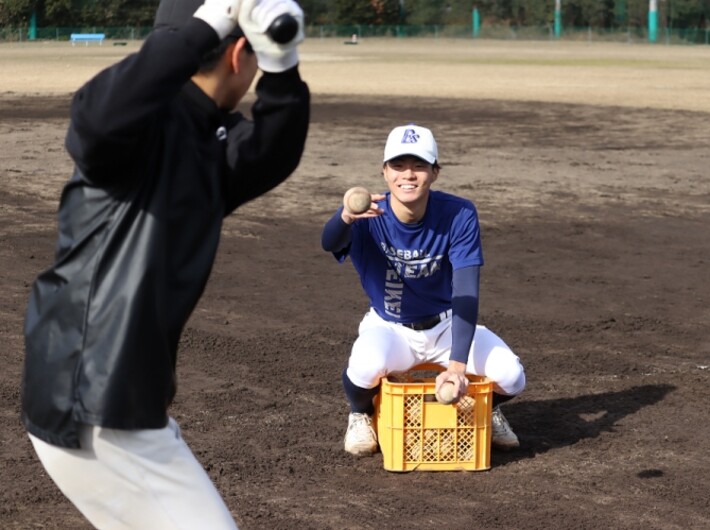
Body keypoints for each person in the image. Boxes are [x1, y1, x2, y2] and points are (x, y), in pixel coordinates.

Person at [20, 0, 309, 527]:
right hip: (94, 403)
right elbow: (98, 116)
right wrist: (210, 27)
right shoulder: (142, 124)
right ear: (239, 51)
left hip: (115, 400)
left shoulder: (207, 136)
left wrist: (283, 70)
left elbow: (271, 153)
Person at [321, 124, 527, 456]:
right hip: (390, 326)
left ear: (434, 172)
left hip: (446, 326)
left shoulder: (458, 214)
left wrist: (457, 366)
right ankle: (360, 414)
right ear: (385, 172)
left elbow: (466, 289)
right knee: (366, 363)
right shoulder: (366, 215)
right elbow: (328, 242)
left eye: (418, 166)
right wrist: (344, 217)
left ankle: (487, 409)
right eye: (399, 166)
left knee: (512, 375)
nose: (408, 175)